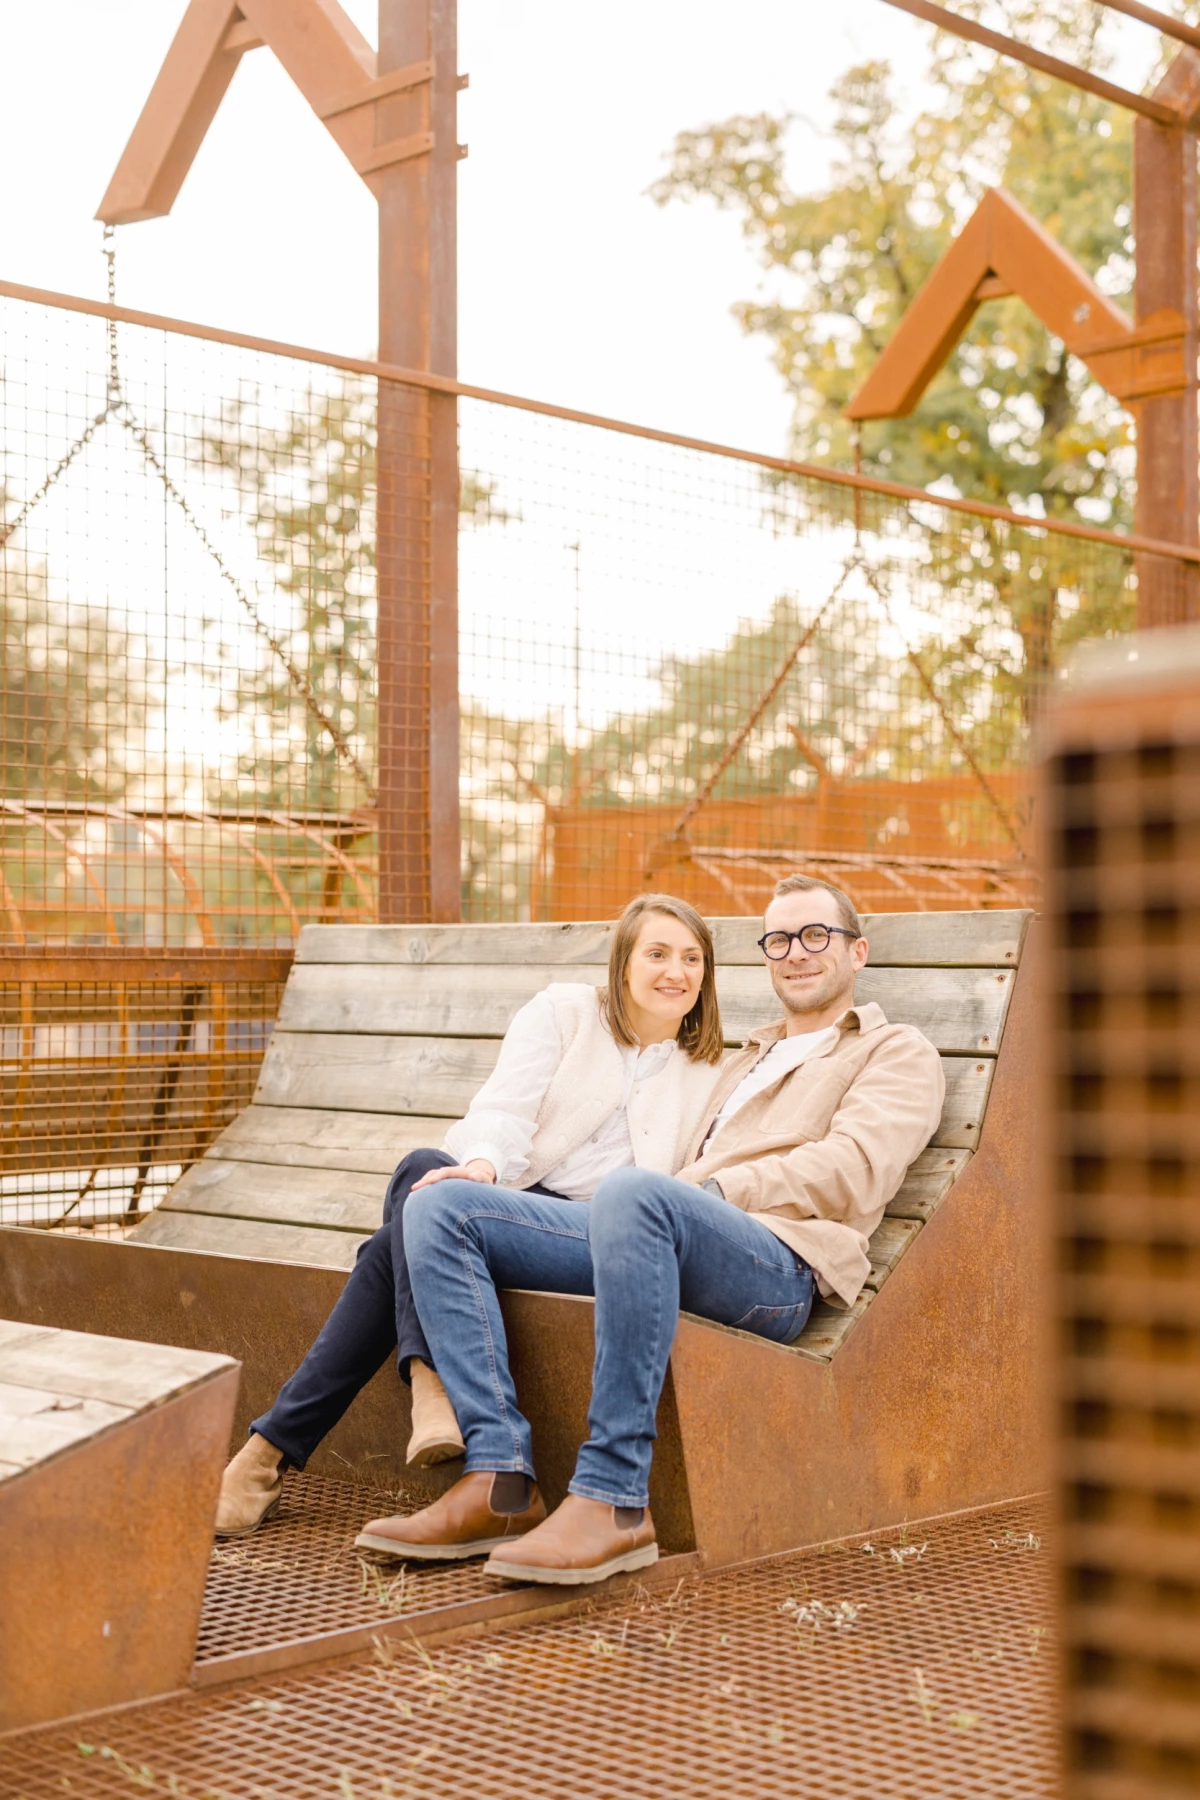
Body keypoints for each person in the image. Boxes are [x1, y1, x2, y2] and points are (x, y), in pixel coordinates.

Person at [355, 873, 945, 1585]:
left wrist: (710, 1190)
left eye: (817, 935)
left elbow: (857, 1167)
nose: (796, 952)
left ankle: (614, 1500)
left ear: (857, 952)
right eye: (780, 939)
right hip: (668, 1232)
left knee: (638, 1195)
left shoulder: (896, 1052)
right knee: (441, 1204)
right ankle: (501, 1481)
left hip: (778, 1263)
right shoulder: (740, 1060)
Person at [215, 892, 726, 1537]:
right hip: (508, 1202)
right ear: (623, 961)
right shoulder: (564, 1014)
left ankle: (291, 1444)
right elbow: (503, 1110)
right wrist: (483, 1165)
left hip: (596, 1236)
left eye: (691, 958)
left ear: (706, 976)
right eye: (656, 953)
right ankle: (409, 1391)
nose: (673, 972)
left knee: (394, 1237)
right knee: (425, 1169)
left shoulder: (710, 1071)